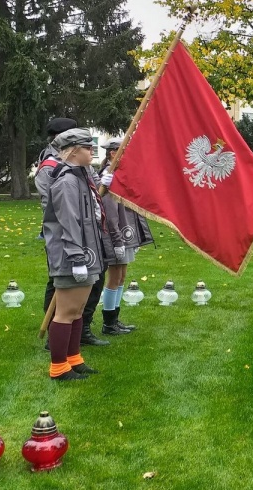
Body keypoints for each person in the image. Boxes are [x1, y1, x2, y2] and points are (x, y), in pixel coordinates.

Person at [36, 118, 109, 348]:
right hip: (68, 240)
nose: (90, 149)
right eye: (86, 145)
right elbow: (60, 209)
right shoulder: (52, 167)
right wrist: (76, 252)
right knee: (60, 287)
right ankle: (55, 336)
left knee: (88, 290)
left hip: (86, 236)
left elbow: (92, 193)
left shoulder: (80, 166)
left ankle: (80, 332)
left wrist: (103, 184)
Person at [98, 139, 154, 334]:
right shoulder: (108, 176)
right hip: (116, 237)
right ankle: (108, 322)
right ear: (113, 153)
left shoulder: (121, 175)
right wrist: (118, 241)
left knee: (121, 277)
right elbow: (111, 212)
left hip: (125, 235)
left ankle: (115, 317)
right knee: (114, 278)